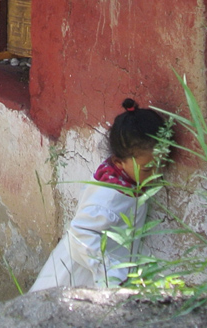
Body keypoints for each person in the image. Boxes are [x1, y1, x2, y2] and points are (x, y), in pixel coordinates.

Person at [30, 99, 168, 291]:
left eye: (161, 165)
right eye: (148, 169)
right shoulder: (109, 197)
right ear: (119, 162)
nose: (156, 174)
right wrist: (111, 275)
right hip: (80, 275)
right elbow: (80, 233)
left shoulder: (127, 183)